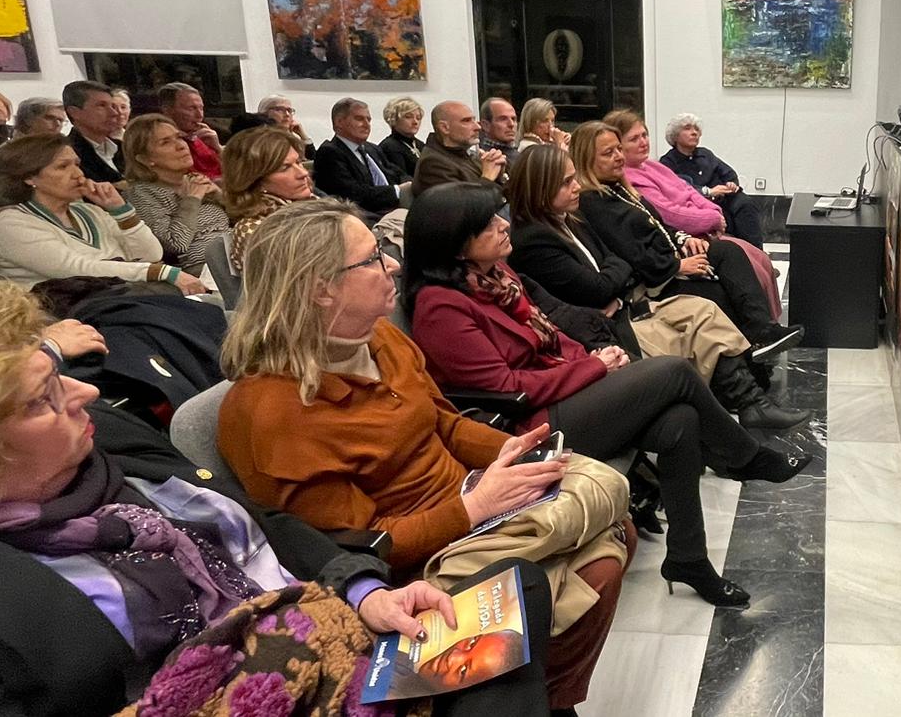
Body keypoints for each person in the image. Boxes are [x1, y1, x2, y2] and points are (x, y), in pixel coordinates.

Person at [0, 281, 560, 716]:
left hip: (327, 634)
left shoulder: (109, 440)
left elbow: (261, 521)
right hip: (247, 691)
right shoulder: (19, 602)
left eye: (61, 375)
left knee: (514, 593)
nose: (88, 391)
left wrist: (363, 592)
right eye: (42, 399)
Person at [216, 199, 634, 713]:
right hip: (416, 570)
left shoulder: (379, 336)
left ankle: (548, 695)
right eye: (371, 259)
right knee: (592, 559)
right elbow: (354, 547)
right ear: (319, 289)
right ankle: (539, 696)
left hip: (468, 504)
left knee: (612, 528)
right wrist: (475, 509)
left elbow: (442, 420)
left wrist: (506, 449)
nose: (392, 263)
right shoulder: (272, 412)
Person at [406, 183, 810, 606]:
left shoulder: (496, 277)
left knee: (679, 422)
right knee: (674, 370)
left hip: (563, 394)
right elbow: (506, 390)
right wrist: (594, 368)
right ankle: (745, 456)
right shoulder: (441, 307)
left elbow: (553, 336)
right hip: (527, 427)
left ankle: (689, 560)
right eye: (488, 224)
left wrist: (596, 357)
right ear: (455, 245)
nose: (504, 224)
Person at [507, 145, 807, 424]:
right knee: (696, 316)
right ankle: (732, 411)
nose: (576, 187)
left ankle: (751, 401)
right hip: (605, 326)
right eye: (565, 182)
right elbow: (599, 285)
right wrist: (623, 275)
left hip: (627, 301)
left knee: (705, 310)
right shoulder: (534, 238)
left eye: (574, 179)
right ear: (540, 188)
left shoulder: (570, 219)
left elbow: (618, 260)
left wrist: (621, 273)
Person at [572, 121, 801, 350]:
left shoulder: (619, 187)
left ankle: (761, 330)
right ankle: (747, 355)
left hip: (671, 251)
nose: (618, 156)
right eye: (608, 153)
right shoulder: (594, 201)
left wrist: (683, 239)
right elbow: (629, 250)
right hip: (654, 279)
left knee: (730, 251)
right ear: (586, 159)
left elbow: (660, 222)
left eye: (618, 149)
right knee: (720, 291)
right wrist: (677, 266)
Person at [604, 110, 780, 316]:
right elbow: (670, 214)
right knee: (751, 267)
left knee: (760, 256)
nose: (643, 142)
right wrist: (712, 217)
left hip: (703, 222)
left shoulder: (654, 165)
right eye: (634, 139)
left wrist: (713, 211)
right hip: (687, 235)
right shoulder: (634, 177)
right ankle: (759, 326)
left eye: (645, 135)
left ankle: (770, 325)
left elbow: (689, 191)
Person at [0, 134, 207, 293]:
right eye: (62, 167)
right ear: (29, 177)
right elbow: (75, 269)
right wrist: (158, 271)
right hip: (65, 312)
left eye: (77, 165)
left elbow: (151, 254)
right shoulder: (11, 223)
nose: (78, 174)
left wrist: (121, 211)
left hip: (124, 298)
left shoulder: (89, 211)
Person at [120, 114, 229, 277]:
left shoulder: (195, 180)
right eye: (165, 142)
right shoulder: (142, 193)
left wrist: (220, 196)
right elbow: (176, 244)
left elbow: (239, 219)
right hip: (203, 269)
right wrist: (192, 200)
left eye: (179, 138)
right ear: (144, 159)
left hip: (237, 253)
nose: (181, 146)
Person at [659, 112, 765, 247]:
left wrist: (731, 183)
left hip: (724, 198)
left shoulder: (705, 154)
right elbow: (679, 188)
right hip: (696, 204)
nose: (694, 133)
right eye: (688, 128)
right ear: (675, 135)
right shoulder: (668, 162)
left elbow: (728, 172)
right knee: (717, 215)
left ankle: (756, 252)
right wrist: (708, 192)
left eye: (696, 129)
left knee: (745, 204)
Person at [221, 126, 315, 274]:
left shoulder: (317, 205)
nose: (303, 173)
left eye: (298, 162)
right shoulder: (252, 230)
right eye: (285, 168)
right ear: (255, 180)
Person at [312, 96, 410, 215]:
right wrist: (398, 191)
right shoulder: (329, 152)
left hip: (392, 209)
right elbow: (353, 194)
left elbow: (398, 173)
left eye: (368, 120)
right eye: (359, 119)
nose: (366, 124)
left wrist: (412, 185)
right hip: (361, 215)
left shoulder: (371, 148)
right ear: (339, 122)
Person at [414, 100, 508, 198]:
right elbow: (461, 208)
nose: (478, 127)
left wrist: (500, 176)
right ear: (444, 128)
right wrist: (487, 177)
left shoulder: (466, 155)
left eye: (474, 120)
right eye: (466, 121)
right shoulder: (433, 164)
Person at [62, 80, 124, 184]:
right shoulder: (66, 154)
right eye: (101, 105)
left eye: (112, 106)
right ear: (74, 113)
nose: (114, 113)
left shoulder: (124, 148)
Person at [157, 82, 223, 180]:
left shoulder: (204, 138)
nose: (200, 115)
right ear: (167, 110)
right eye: (191, 108)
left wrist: (218, 149)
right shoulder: (164, 145)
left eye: (201, 108)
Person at [381, 94, 427, 178]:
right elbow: (401, 178)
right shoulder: (390, 147)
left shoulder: (419, 144)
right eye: (408, 117)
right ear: (394, 119)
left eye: (418, 118)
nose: (415, 122)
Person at [481, 97, 521, 167]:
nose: (511, 124)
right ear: (486, 125)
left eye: (513, 119)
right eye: (503, 119)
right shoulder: (484, 158)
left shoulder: (518, 154)